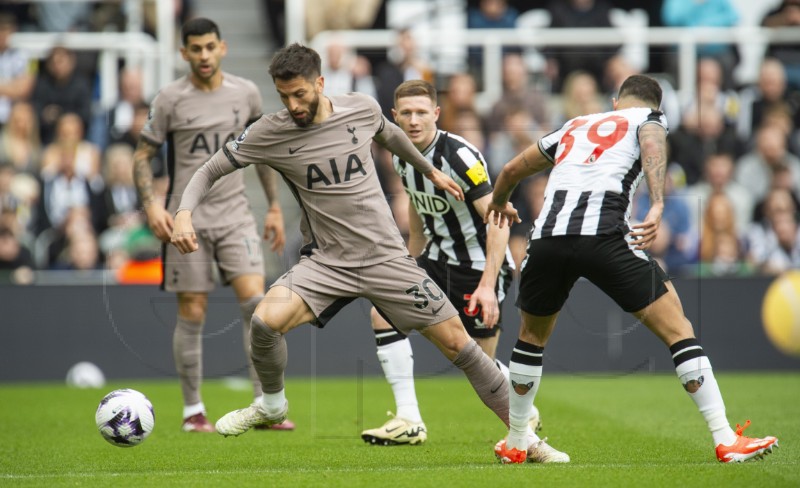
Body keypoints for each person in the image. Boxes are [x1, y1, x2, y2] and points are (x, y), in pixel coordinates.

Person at [171, 43, 555, 461]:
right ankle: (272, 404)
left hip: (386, 258)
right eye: (284, 97)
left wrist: (430, 172)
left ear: (320, 83)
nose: (293, 105)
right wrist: (184, 213)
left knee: (461, 347)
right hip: (327, 262)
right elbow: (210, 168)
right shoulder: (271, 131)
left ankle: (525, 439)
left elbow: (390, 136)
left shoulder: (361, 108)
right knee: (265, 322)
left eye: (300, 94)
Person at [487, 74, 779, 464]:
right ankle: (725, 437)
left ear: (614, 100)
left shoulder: (573, 124)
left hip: (547, 238)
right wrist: (657, 203)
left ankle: (517, 441)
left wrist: (501, 202)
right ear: (656, 107)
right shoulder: (649, 119)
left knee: (531, 338)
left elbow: (508, 170)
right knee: (678, 327)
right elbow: (653, 142)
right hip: (603, 234)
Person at [358, 80, 561, 459]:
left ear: (436, 114)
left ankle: (524, 416)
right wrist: (409, 264)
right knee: (382, 314)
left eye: (422, 112)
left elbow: (498, 221)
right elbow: (419, 210)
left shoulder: (460, 157)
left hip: (479, 266)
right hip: (436, 260)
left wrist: (487, 285)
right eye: (407, 113)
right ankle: (408, 419)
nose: (414, 120)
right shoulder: (399, 152)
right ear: (394, 116)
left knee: (474, 361)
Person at [132, 18, 289, 433]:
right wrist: (151, 204)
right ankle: (192, 412)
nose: (203, 55)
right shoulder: (169, 99)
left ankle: (266, 406)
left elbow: (262, 152)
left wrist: (273, 206)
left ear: (222, 48)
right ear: (183, 53)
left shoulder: (246, 93)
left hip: (237, 215)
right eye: (195, 49)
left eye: (209, 47)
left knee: (258, 307)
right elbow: (142, 156)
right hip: (188, 219)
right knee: (193, 310)